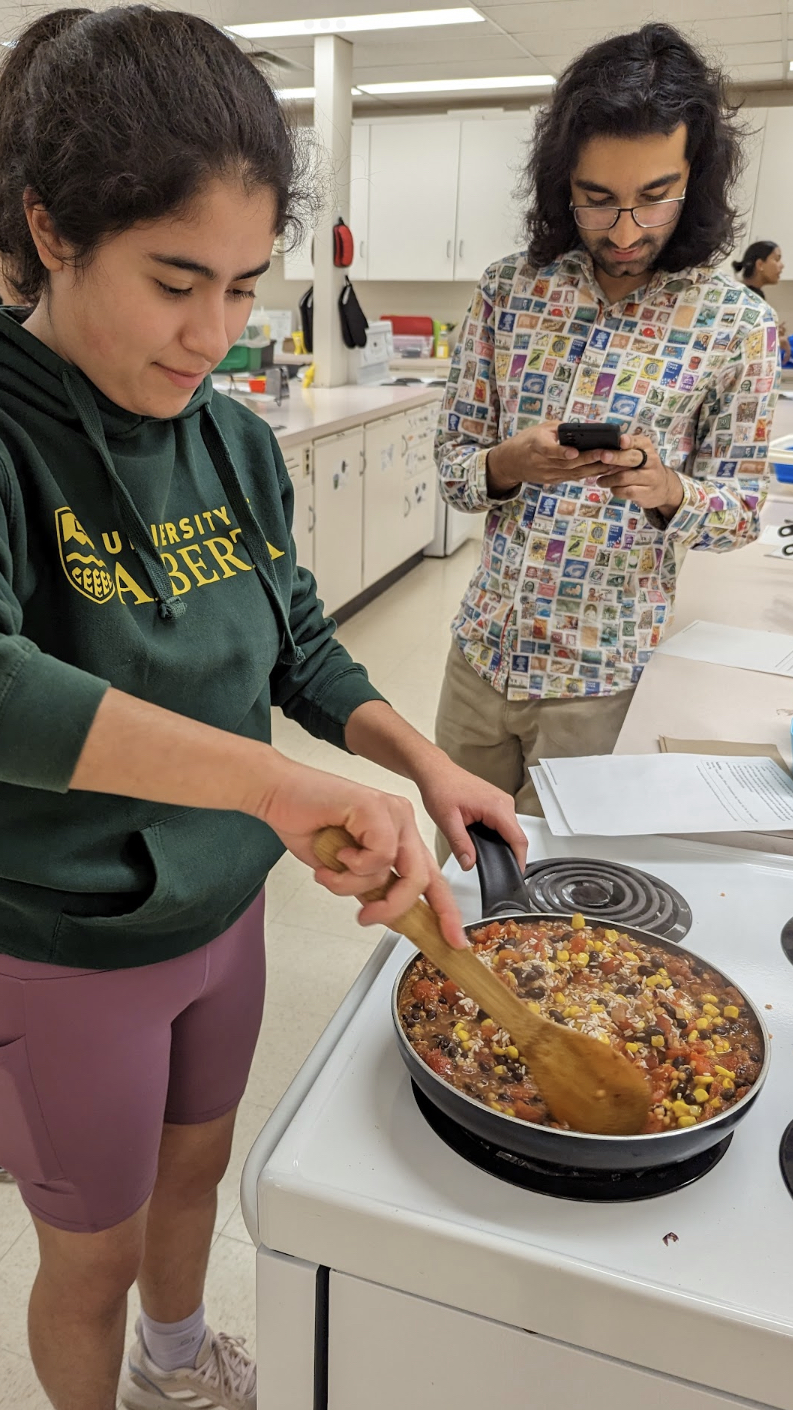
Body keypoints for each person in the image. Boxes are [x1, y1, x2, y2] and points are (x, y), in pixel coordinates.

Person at [0, 10, 527, 1410]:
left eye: (244, 286)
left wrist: (417, 761)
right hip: (66, 944)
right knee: (89, 1252)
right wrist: (277, 786)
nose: (215, 333)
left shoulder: (230, 435)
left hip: (223, 915)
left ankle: (180, 1365)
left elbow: (295, 641)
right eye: (177, 280)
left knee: (198, 1169)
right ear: (52, 229)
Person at [433, 22, 779, 857]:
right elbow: (452, 468)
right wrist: (507, 465)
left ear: (695, 181)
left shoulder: (736, 326)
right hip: (481, 656)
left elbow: (739, 512)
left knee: (566, 898)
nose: (624, 229)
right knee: (455, 881)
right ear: (562, 184)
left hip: (600, 679)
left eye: (653, 195)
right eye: (596, 198)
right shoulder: (509, 291)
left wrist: (668, 490)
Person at [732, 240, 790, 360]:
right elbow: (743, 346)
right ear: (760, 265)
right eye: (776, 259)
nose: (782, 265)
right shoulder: (749, 298)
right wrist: (776, 340)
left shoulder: (750, 294)